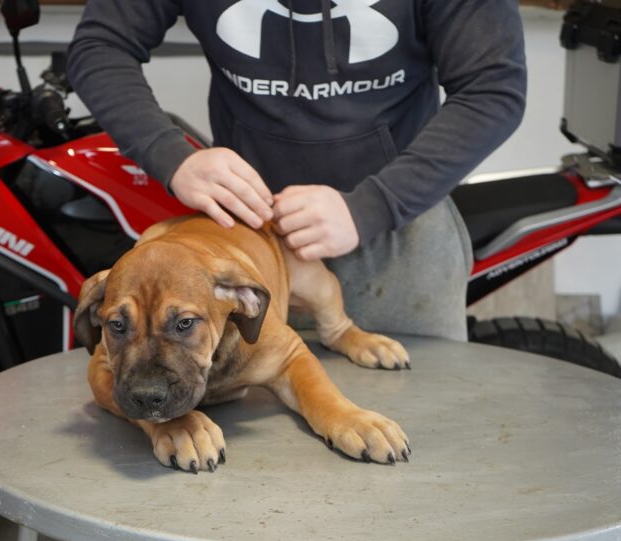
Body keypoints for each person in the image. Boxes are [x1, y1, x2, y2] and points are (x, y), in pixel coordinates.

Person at [66, 0, 527, 341]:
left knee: (421, 426)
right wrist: (171, 155)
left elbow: (493, 88)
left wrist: (371, 207)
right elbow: (100, 45)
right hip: (247, 239)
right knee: (250, 445)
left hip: (399, 234)